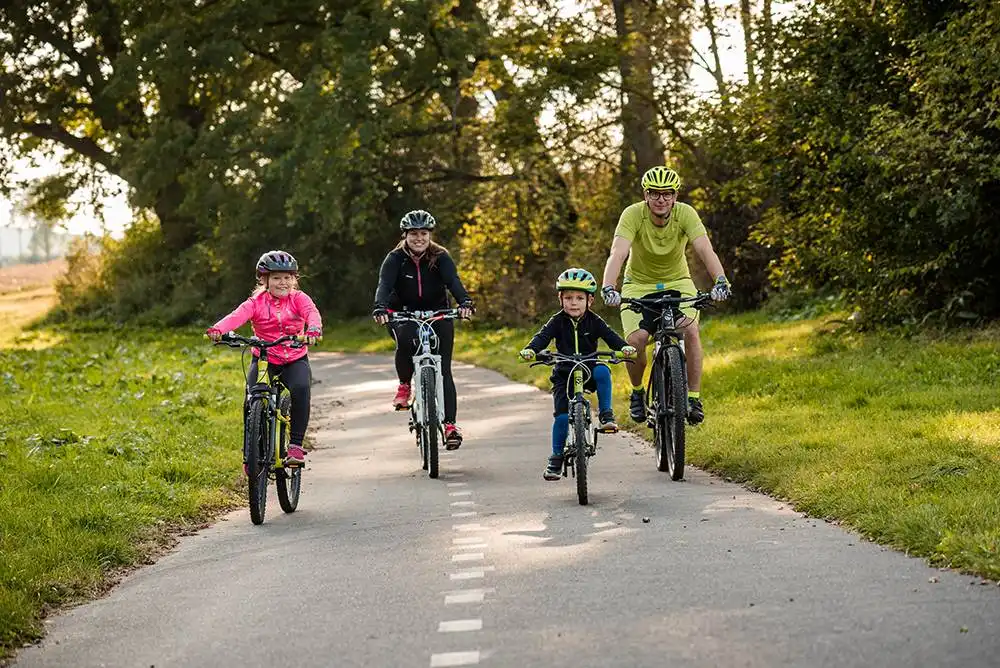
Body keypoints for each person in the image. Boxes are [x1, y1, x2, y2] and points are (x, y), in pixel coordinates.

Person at [600, 166, 731, 426]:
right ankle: (637, 393)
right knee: (636, 341)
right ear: (646, 195)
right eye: (655, 194)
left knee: (691, 331)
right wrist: (608, 286)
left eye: (667, 194)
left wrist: (721, 281)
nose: (661, 199)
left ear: (675, 196)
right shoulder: (633, 215)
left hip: (678, 282)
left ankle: (693, 398)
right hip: (638, 285)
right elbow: (618, 252)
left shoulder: (686, 214)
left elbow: (705, 249)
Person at [518, 268, 637, 481]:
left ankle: (606, 414)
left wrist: (624, 347)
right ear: (560, 299)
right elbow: (542, 337)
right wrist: (531, 350)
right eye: (569, 298)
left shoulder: (594, 321)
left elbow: (611, 337)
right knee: (562, 417)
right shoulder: (557, 321)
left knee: (602, 369)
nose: (574, 303)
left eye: (580, 298)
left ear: (590, 300)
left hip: (588, 368)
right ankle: (555, 458)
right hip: (564, 373)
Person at [207, 250, 322, 467]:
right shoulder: (255, 302)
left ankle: (296, 445)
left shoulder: (299, 298)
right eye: (277, 278)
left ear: (294, 279)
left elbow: (312, 313)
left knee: (300, 388)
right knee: (253, 399)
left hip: (294, 357)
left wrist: (313, 330)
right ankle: (252, 451)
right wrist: (217, 329)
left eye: (288, 278)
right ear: (264, 279)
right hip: (264, 358)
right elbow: (236, 317)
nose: (283, 283)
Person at [372, 210, 474, 450]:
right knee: (406, 339)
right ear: (405, 235)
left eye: (424, 234)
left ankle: (450, 426)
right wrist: (380, 308)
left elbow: (454, 283)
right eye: (414, 234)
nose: (419, 238)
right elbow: (384, 285)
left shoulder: (441, 256)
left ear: (430, 235)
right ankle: (405, 385)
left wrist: (465, 302)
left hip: (438, 313)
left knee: (445, 369)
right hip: (403, 313)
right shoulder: (394, 258)